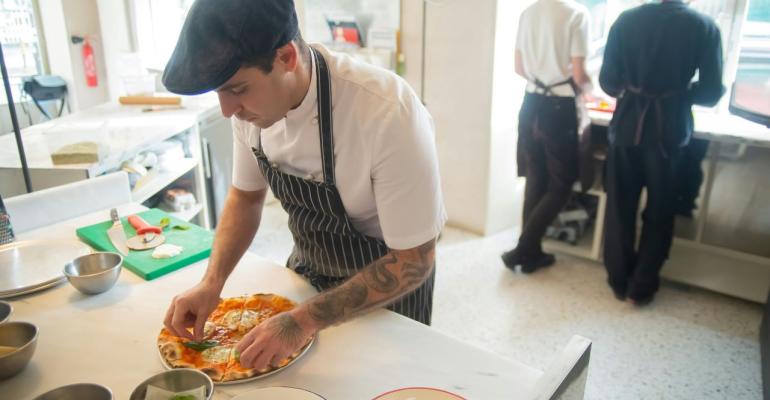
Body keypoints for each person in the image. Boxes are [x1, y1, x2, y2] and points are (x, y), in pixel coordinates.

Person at [161, 0, 446, 371]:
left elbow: (414, 260)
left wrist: (303, 320)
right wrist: (211, 283)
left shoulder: (388, 112)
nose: (228, 110)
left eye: (238, 89)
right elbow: (245, 198)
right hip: (307, 274)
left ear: (286, 57)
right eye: (220, 93)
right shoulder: (250, 110)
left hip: (388, 291)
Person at [599, 0, 724, 305]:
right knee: (661, 210)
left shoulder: (626, 20)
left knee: (619, 205)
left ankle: (618, 279)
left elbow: (608, 82)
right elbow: (709, 93)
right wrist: (680, 94)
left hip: (628, 124)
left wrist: (633, 86)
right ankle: (642, 286)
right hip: (670, 128)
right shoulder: (704, 26)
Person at [502, 0, 592, 273]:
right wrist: (593, 90)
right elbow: (579, 74)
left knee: (536, 179)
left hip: (531, 103)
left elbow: (518, 67)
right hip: (558, 107)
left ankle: (530, 252)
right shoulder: (576, 14)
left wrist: (541, 77)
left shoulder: (528, 12)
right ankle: (525, 248)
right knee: (562, 184)